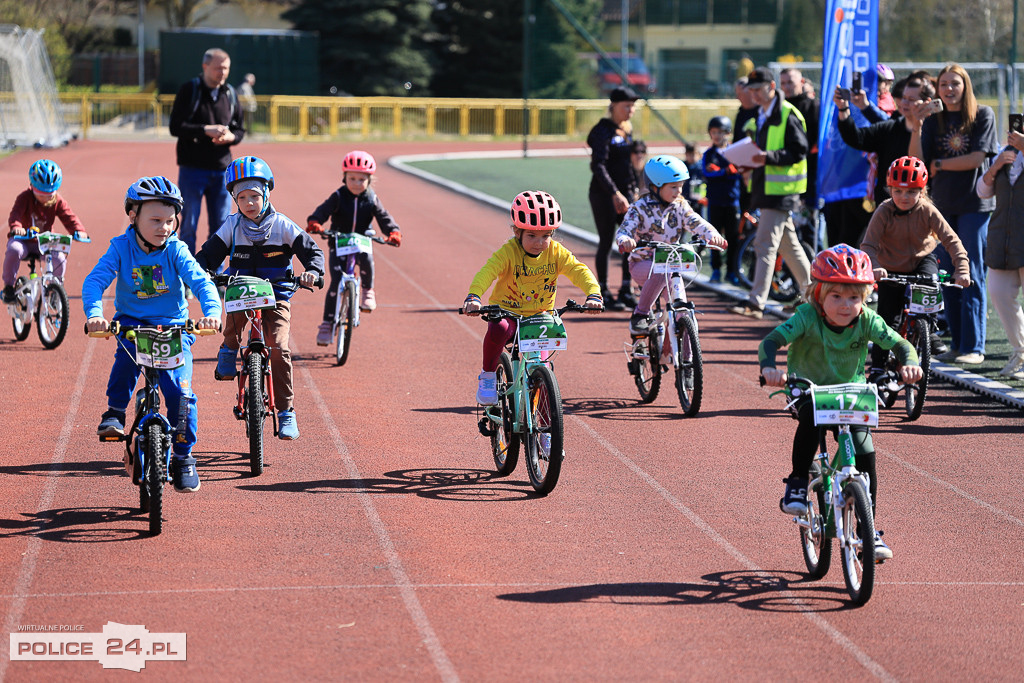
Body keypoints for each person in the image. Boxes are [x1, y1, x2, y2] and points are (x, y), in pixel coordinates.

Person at [759, 244, 923, 561]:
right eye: (836, 296)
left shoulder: (867, 320)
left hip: (851, 394)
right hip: (807, 391)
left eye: (854, 298)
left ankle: (868, 529)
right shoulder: (806, 316)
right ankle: (796, 481)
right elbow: (772, 341)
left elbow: (900, 343)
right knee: (810, 420)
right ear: (818, 294)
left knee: (865, 451)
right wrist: (769, 368)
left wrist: (910, 363)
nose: (846, 306)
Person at [83, 177, 222, 493]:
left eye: (170, 220)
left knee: (181, 396)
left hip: (175, 328)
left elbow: (201, 282)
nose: (164, 227)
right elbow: (94, 282)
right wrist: (95, 315)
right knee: (125, 365)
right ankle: (115, 412)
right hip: (132, 325)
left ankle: (184, 458)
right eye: (155, 220)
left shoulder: (176, 250)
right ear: (133, 216)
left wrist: (212, 312)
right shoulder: (121, 248)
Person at [195, 156, 324, 441]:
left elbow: (312, 252)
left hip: (277, 294)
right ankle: (228, 350)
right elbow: (208, 255)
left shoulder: (282, 225)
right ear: (234, 199)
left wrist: (313, 272)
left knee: (279, 347)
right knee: (233, 322)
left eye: (255, 195)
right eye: (242, 197)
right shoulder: (232, 226)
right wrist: (201, 271)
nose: (249, 203)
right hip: (241, 291)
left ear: (266, 193)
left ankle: (286, 411)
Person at [463, 191, 603, 405]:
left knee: (543, 374)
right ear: (517, 232)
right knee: (498, 328)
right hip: (508, 313)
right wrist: (474, 296)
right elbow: (487, 272)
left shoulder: (556, 252)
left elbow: (578, 270)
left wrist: (593, 293)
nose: (539, 243)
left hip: (540, 317)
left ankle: (546, 433)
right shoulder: (508, 252)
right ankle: (488, 376)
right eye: (531, 236)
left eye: (546, 236)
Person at [909, 63, 998, 364]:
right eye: (944, 84)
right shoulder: (934, 120)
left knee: (971, 273)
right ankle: (958, 344)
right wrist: (918, 125)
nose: (948, 89)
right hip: (942, 208)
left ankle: (975, 347)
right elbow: (918, 163)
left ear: (965, 86)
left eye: (954, 83)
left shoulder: (983, 114)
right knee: (947, 276)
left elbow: (975, 159)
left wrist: (941, 165)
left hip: (974, 206)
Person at [860, 156, 971, 371]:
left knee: (931, 283)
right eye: (898, 191)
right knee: (887, 321)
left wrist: (962, 269)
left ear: (922, 191)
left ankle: (929, 331)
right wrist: (874, 267)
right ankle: (878, 368)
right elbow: (869, 245)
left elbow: (951, 240)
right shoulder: (883, 211)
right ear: (889, 189)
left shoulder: (928, 211)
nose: (904, 197)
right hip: (889, 266)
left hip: (922, 260)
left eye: (911, 191)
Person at [728, 66, 812, 319]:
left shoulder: (787, 113)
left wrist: (767, 157)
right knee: (789, 247)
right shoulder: (762, 115)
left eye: (757, 89)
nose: (753, 94)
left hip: (780, 192)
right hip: (767, 190)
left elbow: (800, 150)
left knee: (765, 245)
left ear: (771, 87)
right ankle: (814, 296)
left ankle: (756, 303)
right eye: (750, 90)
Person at [615, 155, 727, 337]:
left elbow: (696, 222)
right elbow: (624, 231)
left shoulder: (680, 206)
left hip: (671, 266)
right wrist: (625, 240)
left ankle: (687, 361)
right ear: (655, 186)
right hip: (642, 263)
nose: (679, 191)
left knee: (683, 311)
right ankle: (640, 313)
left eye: (681, 186)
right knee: (661, 270)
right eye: (673, 186)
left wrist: (712, 234)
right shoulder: (639, 208)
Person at [306, 150, 401, 340]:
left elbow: (383, 217)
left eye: (361, 179)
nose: (357, 183)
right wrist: (315, 221)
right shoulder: (339, 196)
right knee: (335, 281)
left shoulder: (372, 198)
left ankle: (367, 290)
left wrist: (393, 232)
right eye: (352, 178)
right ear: (344, 177)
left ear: (369, 180)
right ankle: (327, 323)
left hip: (362, 240)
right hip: (338, 240)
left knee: (366, 258)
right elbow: (323, 210)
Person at [169, 47, 246, 254]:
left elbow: (240, 129)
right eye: (218, 68)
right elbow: (175, 127)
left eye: (226, 68)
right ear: (205, 66)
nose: (222, 72)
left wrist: (231, 137)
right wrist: (206, 130)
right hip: (192, 170)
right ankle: (187, 276)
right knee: (188, 226)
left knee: (221, 227)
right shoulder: (189, 90)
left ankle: (215, 278)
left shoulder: (230, 93)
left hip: (222, 171)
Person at [835, 76, 937, 207]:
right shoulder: (890, 128)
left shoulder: (933, 131)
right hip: (888, 207)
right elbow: (856, 138)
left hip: (920, 207)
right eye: (904, 98)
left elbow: (921, 163)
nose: (905, 103)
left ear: (926, 103)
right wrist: (843, 109)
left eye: (911, 100)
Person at [3, 160, 89, 303]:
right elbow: (15, 214)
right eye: (41, 194)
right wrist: (16, 227)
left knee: (59, 258)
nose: (46, 198)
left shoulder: (57, 201)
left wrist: (79, 230)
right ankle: (8, 287)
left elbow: (69, 216)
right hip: (23, 240)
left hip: (44, 242)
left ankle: (55, 288)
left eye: (49, 194)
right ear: (32, 187)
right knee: (13, 249)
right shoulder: (24, 198)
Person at [587, 86, 641, 311]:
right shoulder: (602, 130)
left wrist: (634, 189)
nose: (630, 110)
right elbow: (597, 165)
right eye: (626, 106)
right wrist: (614, 193)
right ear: (614, 106)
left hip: (625, 194)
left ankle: (626, 290)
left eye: (633, 106)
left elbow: (629, 164)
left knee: (630, 240)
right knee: (606, 240)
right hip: (603, 194)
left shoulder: (625, 129)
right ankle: (603, 292)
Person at [976, 131, 1024, 379]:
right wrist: (995, 166)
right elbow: (983, 192)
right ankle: (1020, 351)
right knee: (999, 292)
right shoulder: (1006, 153)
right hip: (1002, 240)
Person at [702, 116, 742, 284]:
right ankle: (716, 269)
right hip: (715, 202)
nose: (717, 136)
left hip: (732, 202)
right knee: (714, 237)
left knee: (733, 238)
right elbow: (706, 173)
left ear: (728, 133)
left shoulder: (734, 152)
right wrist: (724, 172)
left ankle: (732, 271)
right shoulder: (708, 154)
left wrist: (726, 172)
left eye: (721, 132)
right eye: (714, 132)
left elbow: (739, 172)